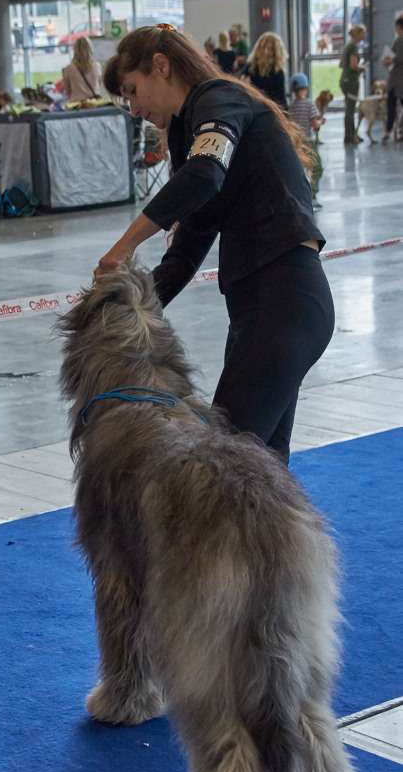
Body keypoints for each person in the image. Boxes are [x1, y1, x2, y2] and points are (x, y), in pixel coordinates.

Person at [95, 25, 333, 464]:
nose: (134, 109)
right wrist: (125, 310)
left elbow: (204, 174)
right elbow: (186, 251)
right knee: (263, 471)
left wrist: (123, 246)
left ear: (161, 66)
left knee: (222, 465)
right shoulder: (193, 130)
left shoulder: (220, 98)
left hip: (284, 304)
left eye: (132, 91)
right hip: (262, 310)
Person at [288, 72, 324, 209]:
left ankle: (299, 196)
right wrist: (321, 121)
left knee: (300, 170)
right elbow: (315, 124)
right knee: (316, 168)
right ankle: (312, 196)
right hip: (307, 142)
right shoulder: (310, 104)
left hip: (296, 142)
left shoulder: (291, 106)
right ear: (306, 88)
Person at [242, 32, 288, 109]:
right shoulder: (277, 72)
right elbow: (281, 100)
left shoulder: (249, 68)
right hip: (269, 111)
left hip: (250, 109)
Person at [339, 23, 366, 144]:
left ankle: (352, 133)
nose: (365, 35)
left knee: (349, 107)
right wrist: (362, 67)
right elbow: (353, 65)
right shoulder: (354, 47)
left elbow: (341, 64)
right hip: (351, 81)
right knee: (350, 109)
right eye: (363, 33)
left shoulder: (347, 46)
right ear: (359, 34)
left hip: (344, 79)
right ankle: (349, 135)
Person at [382, 16, 403, 144]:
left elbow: (398, 58)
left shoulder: (399, 40)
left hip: (397, 81)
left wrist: (390, 60)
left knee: (391, 107)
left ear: (398, 27)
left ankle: (388, 132)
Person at [62, 36, 101, 102]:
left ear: (75, 50)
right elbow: (98, 83)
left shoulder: (68, 68)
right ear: (90, 49)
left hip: (77, 104)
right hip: (94, 103)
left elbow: (67, 91)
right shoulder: (97, 66)